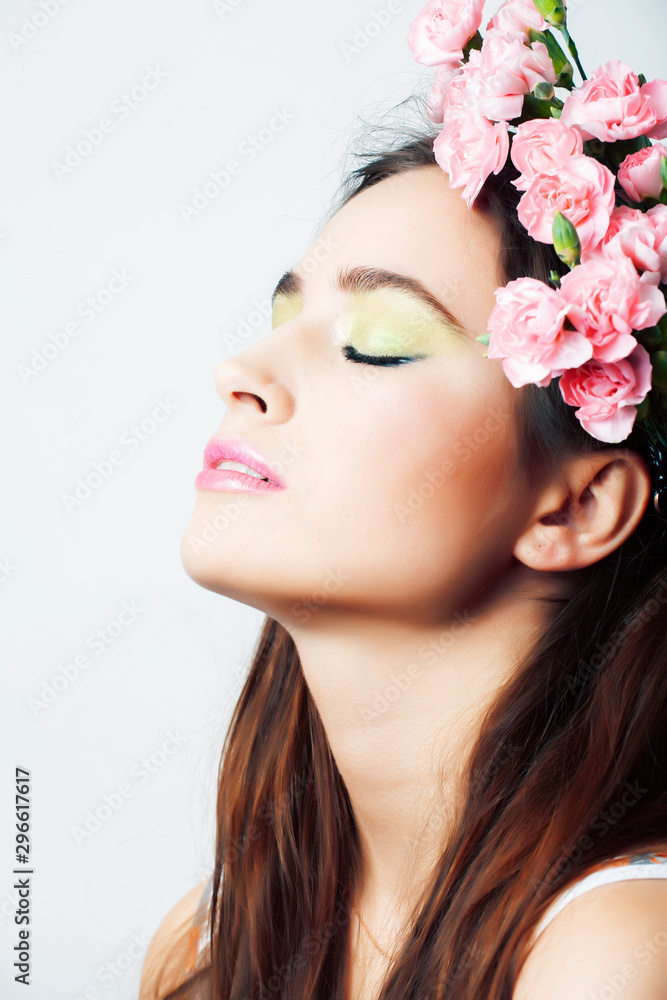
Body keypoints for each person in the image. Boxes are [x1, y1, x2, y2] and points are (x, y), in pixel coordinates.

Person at [140, 3, 667, 998]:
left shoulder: (618, 956)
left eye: (375, 339)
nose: (241, 372)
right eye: (284, 317)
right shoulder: (209, 951)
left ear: (576, 506)